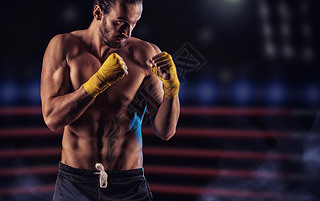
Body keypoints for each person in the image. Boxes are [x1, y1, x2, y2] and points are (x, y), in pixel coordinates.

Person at [40, 0, 180, 200]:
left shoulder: (145, 54)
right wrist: (97, 82)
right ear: (98, 13)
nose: (127, 31)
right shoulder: (64, 47)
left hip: (129, 185)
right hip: (74, 184)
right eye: (121, 22)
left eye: (133, 23)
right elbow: (52, 119)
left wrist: (171, 89)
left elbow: (165, 131)